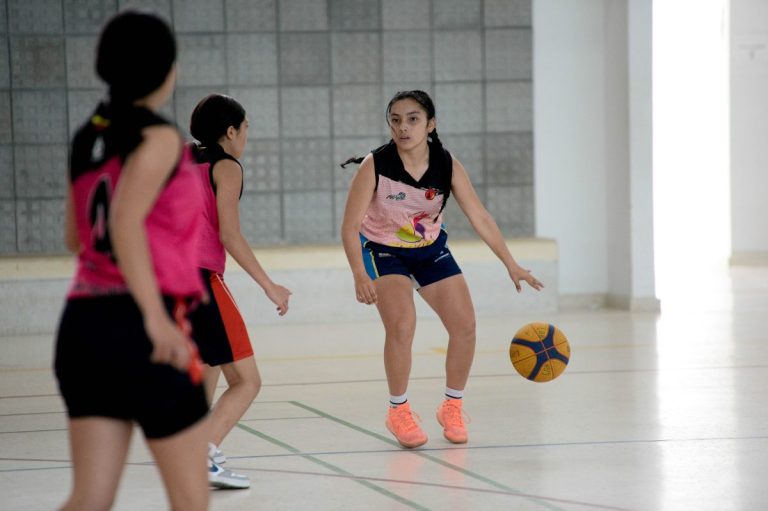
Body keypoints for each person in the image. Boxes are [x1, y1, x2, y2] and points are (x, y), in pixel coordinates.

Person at [54, 10, 209, 511]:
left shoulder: (87, 136)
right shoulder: (158, 137)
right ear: (166, 69)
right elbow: (124, 225)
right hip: (143, 324)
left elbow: (76, 239)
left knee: (90, 499)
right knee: (191, 502)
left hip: (82, 326)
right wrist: (154, 318)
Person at [340, 90, 543, 448]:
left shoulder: (447, 164)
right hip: (385, 252)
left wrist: (510, 263)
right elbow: (349, 225)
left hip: (429, 249)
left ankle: (451, 406)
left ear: (430, 124)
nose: (404, 127)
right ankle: (398, 410)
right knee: (402, 325)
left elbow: (479, 214)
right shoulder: (375, 165)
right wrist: (359, 272)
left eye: (413, 119)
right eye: (396, 120)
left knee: (465, 326)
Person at [188, 93, 292, 489]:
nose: (247, 135)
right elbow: (230, 235)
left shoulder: (181, 159)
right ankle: (200, 452)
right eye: (245, 128)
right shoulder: (227, 166)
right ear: (230, 132)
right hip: (200, 279)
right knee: (247, 381)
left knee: (211, 364)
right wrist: (270, 286)